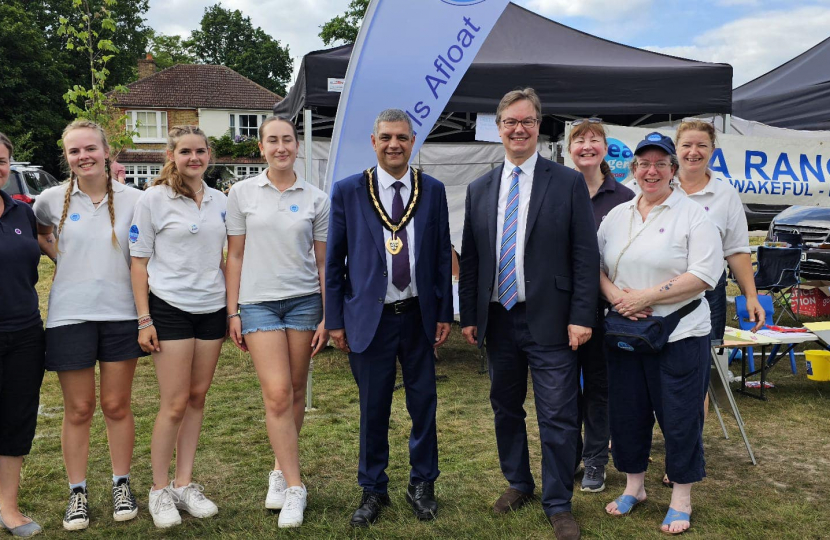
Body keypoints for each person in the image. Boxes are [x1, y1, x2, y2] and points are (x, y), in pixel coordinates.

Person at [458, 88, 599, 540]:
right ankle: (519, 482)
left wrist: (582, 316)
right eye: (510, 122)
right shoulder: (480, 188)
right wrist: (469, 315)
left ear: (539, 127)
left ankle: (558, 502)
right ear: (498, 128)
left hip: (554, 321)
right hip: (498, 319)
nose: (518, 129)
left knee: (557, 414)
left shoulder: (567, 182)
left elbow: (584, 255)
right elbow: (474, 258)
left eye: (527, 122)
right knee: (505, 407)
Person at [326, 109, 453, 527]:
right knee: (372, 407)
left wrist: (444, 311)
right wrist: (334, 320)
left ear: (412, 141)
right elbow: (334, 263)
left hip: (418, 313)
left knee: (424, 405)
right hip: (370, 317)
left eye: (401, 137)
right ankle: (372, 489)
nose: (393, 144)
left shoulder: (431, 190)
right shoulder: (349, 190)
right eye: (386, 137)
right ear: (373, 141)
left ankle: (422, 483)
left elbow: (439, 255)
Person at [599, 132, 722, 535]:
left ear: (673, 169)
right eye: (644, 164)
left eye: (660, 164)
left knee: (680, 416)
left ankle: (681, 496)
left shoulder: (692, 215)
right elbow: (595, 266)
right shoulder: (617, 215)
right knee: (628, 412)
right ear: (633, 170)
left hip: (681, 333)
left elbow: (705, 274)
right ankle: (635, 487)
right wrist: (619, 297)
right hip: (627, 333)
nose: (652, 171)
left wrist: (646, 297)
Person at [33, 120, 144, 531]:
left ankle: (121, 483)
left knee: (116, 405)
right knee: (79, 409)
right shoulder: (50, 199)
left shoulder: (135, 200)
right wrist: (60, 259)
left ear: (106, 150)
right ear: (67, 157)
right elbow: (42, 233)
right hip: (69, 316)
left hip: (121, 316)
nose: (84, 157)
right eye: (75, 151)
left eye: (90, 148)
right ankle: (77, 492)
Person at [225, 116, 329, 529]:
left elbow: (322, 263)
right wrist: (232, 310)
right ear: (261, 147)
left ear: (297, 146)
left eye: (288, 140)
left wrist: (327, 312)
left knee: (297, 390)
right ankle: (295, 487)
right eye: (273, 140)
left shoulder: (316, 198)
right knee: (278, 393)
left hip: (304, 303)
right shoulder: (241, 193)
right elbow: (234, 256)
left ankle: (278, 471)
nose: (281, 147)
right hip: (257, 305)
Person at [129, 126, 227, 529]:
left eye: (200, 151)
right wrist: (144, 319)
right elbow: (138, 263)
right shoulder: (153, 198)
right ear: (171, 155)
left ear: (209, 155)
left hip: (212, 308)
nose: (193, 158)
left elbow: (226, 256)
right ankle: (158, 490)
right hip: (169, 308)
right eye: (185, 151)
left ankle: (184, 484)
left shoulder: (222, 201)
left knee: (197, 397)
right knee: (174, 402)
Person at [567, 118, 635, 493]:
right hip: (563, 311)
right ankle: (570, 456)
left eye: (594, 140)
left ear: (606, 149)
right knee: (562, 389)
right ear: (569, 150)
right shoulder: (557, 189)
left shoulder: (624, 197)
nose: (587, 146)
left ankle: (595, 460)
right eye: (579, 141)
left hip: (607, 310)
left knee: (598, 389)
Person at [0, 133, 46, 538]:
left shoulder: (22, 214)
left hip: (25, 333)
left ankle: (8, 507)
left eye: (1, 160)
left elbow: (32, 268)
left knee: (16, 421)